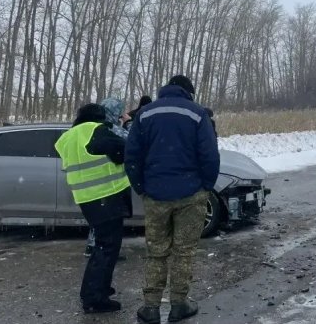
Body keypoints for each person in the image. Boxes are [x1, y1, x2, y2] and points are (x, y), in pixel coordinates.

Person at [125, 75, 220, 324]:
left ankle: (151, 307)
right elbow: (210, 155)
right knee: (183, 252)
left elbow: (131, 155)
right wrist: (205, 186)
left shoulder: (145, 114)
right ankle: (179, 304)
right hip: (190, 195)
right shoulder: (197, 114)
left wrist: (141, 187)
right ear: (188, 91)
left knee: (156, 252)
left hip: (155, 195)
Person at [55, 103, 132, 314]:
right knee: (107, 248)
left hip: (87, 199)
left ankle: (97, 289)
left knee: (102, 245)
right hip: (105, 196)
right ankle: (94, 298)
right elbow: (123, 149)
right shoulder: (95, 130)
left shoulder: (70, 137)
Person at [85, 98, 132, 258]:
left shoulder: (92, 127)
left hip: (93, 178)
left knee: (98, 217)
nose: (122, 114)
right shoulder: (111, 129)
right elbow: (132, 140)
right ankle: (102, 249)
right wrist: (128, 122)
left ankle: (93, 246)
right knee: (109, 219)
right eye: (120, 111)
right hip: (109, 179)